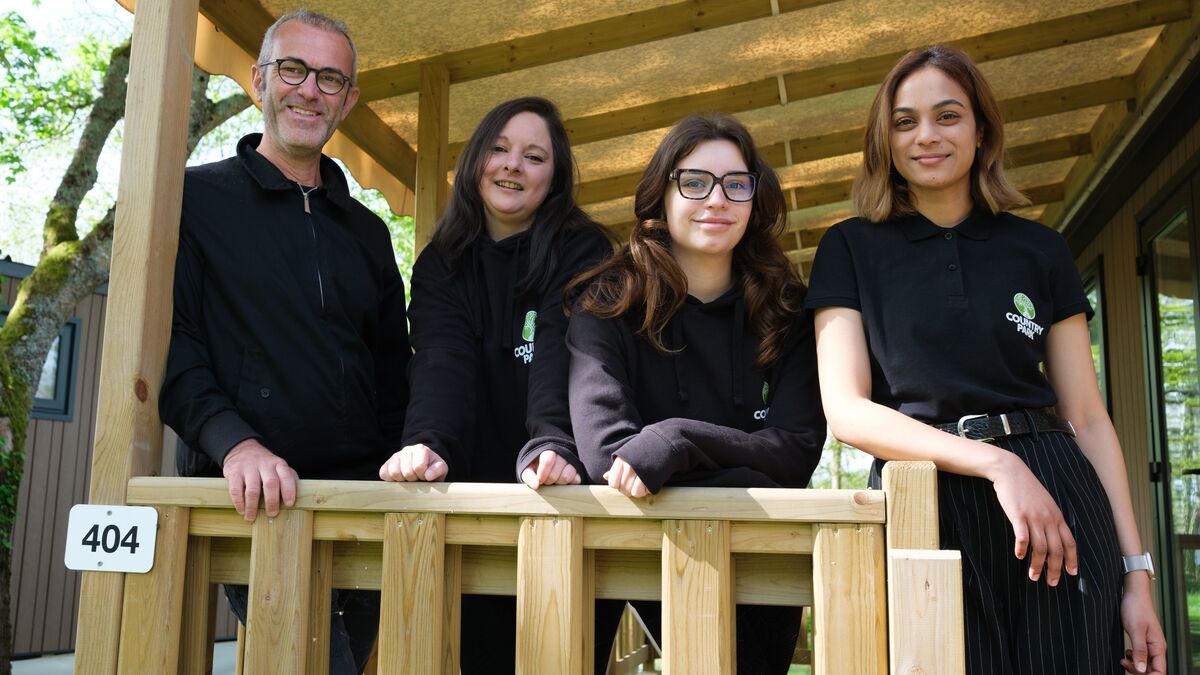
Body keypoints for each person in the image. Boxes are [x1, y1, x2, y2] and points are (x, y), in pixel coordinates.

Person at [805, 44, 1166, 675]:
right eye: (905, 121)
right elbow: (847, 411)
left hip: (1057, 502)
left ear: (982, 131)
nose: (927, 136)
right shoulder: (850, 247)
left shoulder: (1040, 249)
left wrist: (1138, 578)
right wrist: (997, 465)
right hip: (922, 493)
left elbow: (1087, 416)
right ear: (884, 140)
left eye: (948, 116)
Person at [159, 10, 407, 674]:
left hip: (364, 505)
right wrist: (232, 442)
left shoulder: (368, 233)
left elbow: (393, 373)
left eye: (330, 78)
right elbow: (170, 346)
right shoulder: (191, 200)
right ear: (257, 80)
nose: (309, 90)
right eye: (293, 69)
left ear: (349, 99)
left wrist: (409, 471)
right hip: (258, 502)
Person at [567, 114, 825, 673]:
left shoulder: (789, 312)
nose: (717, 199)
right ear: (660, 194)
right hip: (633, 555)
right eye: (694, 181)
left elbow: (799, 449)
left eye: (736, 183)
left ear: (756, 199)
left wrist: (675, 441)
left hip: (759, 558)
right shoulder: (607, 306)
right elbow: (606, 455)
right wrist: (750, 465)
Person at [378, 96, 611, 672]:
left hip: (567, 493)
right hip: (477, 506)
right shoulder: (441, 262)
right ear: (476, 159)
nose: (512, 165)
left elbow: (566, 352)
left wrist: (552, 443)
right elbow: (440, 360)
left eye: (534, 156)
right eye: (500, 149)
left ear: (554, 178)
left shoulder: (586, 250)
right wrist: (427, 443)